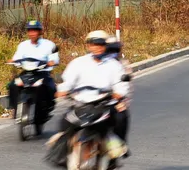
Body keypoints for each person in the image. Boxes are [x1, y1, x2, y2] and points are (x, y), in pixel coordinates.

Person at [47, 31, 129, 167]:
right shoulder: (78, 63)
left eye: (100, 44)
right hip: (81, 105)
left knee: (121, 117)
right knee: (65, 123)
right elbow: (67, 81)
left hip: (105, 105)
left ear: (105, 46)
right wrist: (62, 90)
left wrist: (119, 93)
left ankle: (116, 154)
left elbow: (121, 84)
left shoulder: (114, 65)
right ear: (88, 46)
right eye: (93, 44)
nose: (97, 47)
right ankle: (61, 157)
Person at [6, 19, 58, 121]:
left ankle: (47, 108)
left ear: (40, 32)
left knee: (50, 87)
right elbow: (17, 57)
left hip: (42, 72)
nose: (32, 33)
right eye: (30, 31)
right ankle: (15, 109)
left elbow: (54, 57)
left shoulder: (49, 44)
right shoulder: (23, 45)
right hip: (27, 72)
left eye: (35, 30)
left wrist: (51, 62)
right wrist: (13, 60)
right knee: (13, 85)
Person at [104, 35, 132, 147]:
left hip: (115, 100)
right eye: (111, 49)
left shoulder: (123, 64)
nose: (113, 52)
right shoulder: (93, 63)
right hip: (93, 99)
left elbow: (127, 86)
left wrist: (122, 102)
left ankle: (121, 143)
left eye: (116, 49)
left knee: (121, 118)